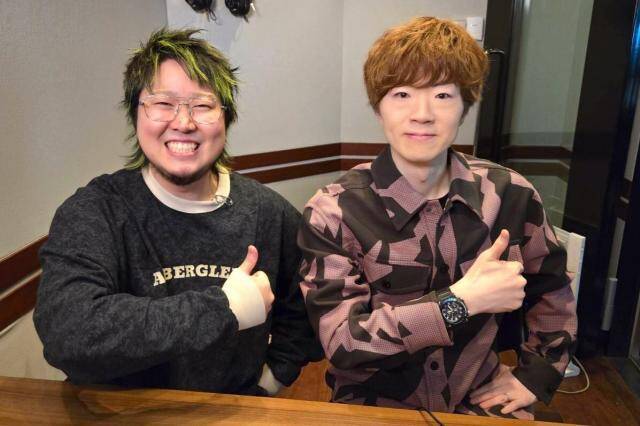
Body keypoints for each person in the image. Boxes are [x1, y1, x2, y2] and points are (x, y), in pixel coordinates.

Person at [297, 17, 577, 419]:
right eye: (402, 94)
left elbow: (552, 291)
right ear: (379, 108)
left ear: (465, 107)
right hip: (373, 406)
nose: (422, 114)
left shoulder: (511, 195)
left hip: (482, 399)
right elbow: (342, 342)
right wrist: (460, 302)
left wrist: (535, 376)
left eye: (443, 95)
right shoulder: (334, 210)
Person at [34, 28, 321, 396]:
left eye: (202, 105)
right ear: (135, 114)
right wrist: (226, 307)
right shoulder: (96, 211)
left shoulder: (269, 213)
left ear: (226, 118)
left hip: (234, 412)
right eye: (162, 103)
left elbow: (306, 316)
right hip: (120, 414)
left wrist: (271, 381)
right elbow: (68, 333)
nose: (184, 123)